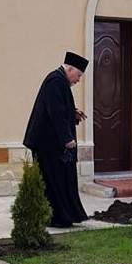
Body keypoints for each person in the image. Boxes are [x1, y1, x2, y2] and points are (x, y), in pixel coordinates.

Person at [23, 52, 89, 228]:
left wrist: (73, 112)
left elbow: (60, 107)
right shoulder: (56, 81)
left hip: (50, 143)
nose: (78, 80)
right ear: (69, 68)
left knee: (61, 178)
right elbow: (55, 112)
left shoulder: (59, 80)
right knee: (54, 180)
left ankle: (65, 215)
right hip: (48, 144)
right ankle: (57, 217)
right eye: (79, 75)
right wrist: (67, 139)